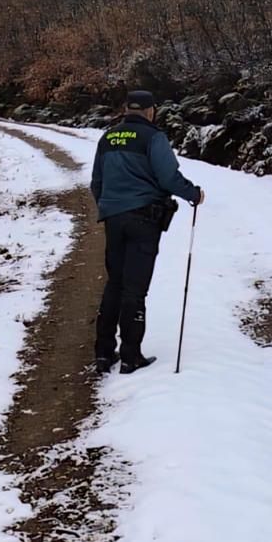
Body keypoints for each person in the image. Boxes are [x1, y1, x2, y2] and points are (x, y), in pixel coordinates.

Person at [90, 90, 204, 374]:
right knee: (135, 288)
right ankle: (131, 356)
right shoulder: (154, 137)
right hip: (144, 218)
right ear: (152, 111)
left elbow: (96, 182)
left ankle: (104, 353)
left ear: (126, 108)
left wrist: (110, 206)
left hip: (113, 218)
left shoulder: (108, 138)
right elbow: (168, 177)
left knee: (115, 282)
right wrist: (194, 194)